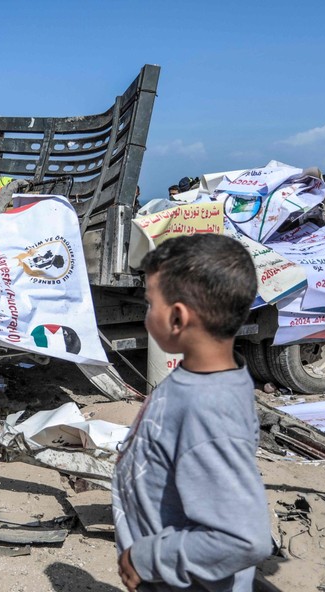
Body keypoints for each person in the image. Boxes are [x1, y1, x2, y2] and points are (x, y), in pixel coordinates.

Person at [114, 234, 270, 591]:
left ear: (177, 318)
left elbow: (246, 539)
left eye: (150, 303)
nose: (146, 313)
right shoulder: (208, 377)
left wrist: (146, 558)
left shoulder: (208, 408)